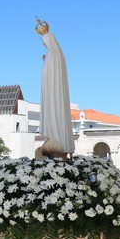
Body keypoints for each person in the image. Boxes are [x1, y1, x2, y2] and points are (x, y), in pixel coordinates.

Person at [36, 18, 74, 155]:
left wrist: (45, 63)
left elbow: (48, 75)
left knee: (53, 109)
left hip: (52, 93)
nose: (44, 45)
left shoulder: (52, 54)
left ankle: (55, 140)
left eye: (44, 43)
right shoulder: (58, 55)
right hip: (55, 92)